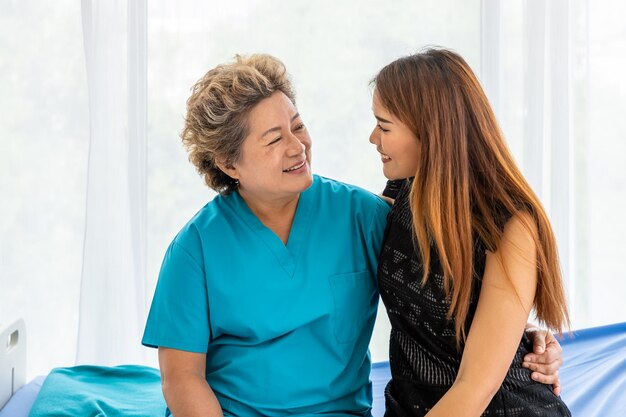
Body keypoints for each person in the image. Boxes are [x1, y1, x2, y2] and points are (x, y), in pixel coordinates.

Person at [142, 54, 563, 417]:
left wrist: (523, 336)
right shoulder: (195, 248)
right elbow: (182, 377)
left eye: (298, 125)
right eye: (274, 139)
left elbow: (454, 278)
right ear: (229, 164)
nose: (297, 146)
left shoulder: (363, 215)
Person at [369, 48, 571, 416]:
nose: (372, 138)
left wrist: (515, 338)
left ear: (431, 131)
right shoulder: (401, 193)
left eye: (384, 127)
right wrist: (521, 332)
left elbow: (474, 388)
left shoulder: (511, 224)